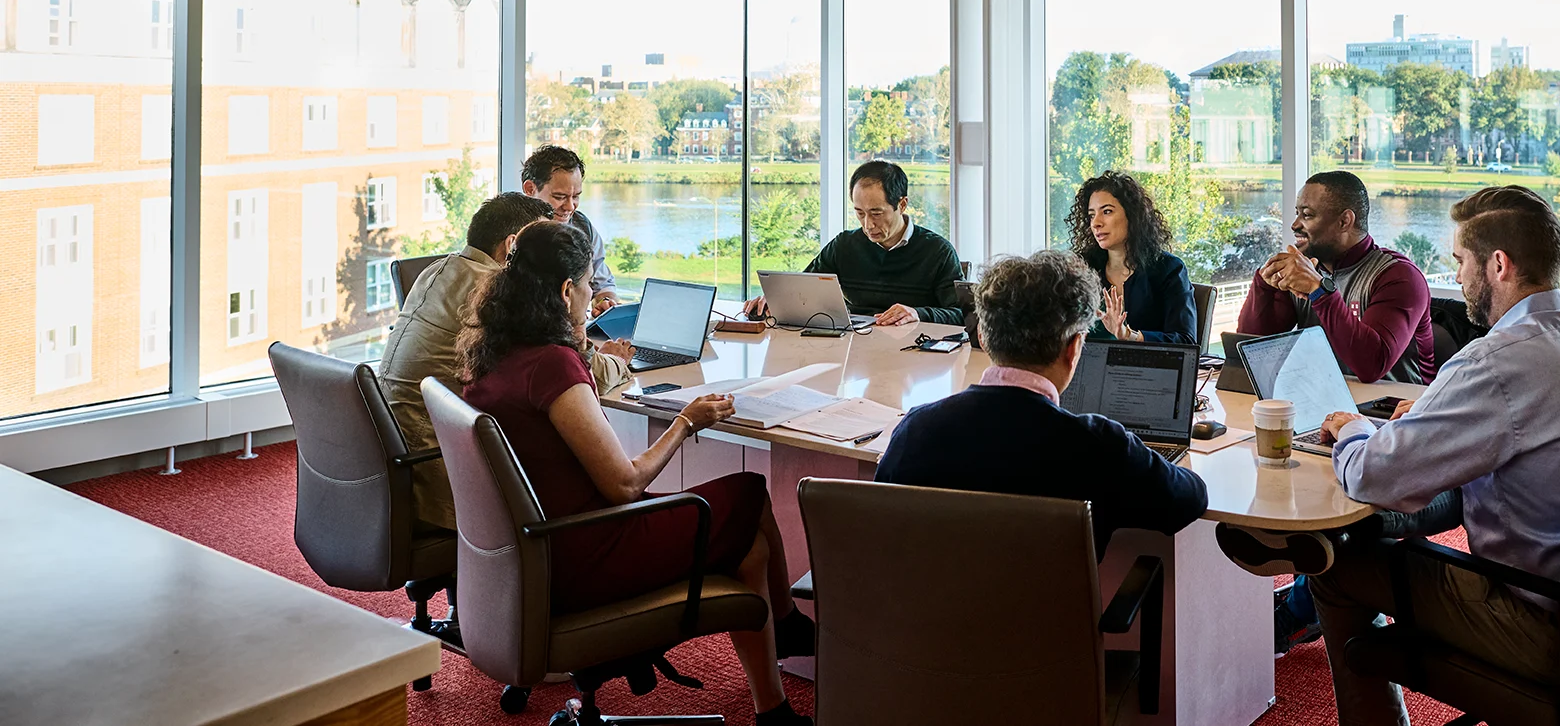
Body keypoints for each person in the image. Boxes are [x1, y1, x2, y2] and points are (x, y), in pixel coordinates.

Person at [1307, 186, 1560, 726]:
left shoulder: (1497, 361)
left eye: (1460, 262)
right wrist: (1432, 423)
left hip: (1550, 622)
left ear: (1498, 264)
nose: (1456, 278)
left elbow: (1373, 476)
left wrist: (1357, 429)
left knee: (1335, 564)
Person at [459, 221, 814, 726]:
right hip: (585, 553)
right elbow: (625, 484)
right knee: (749, 491)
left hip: (531, 551)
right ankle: (788, 624)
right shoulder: (552, 366)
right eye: (585, 286)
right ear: (565, 291)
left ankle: (773, 709)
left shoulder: (490, 352)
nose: (590, 296)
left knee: (751, 549)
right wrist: (686, 422)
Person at [875, 249, 1208, 555]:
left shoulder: (915, 431)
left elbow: (882, 533)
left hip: (928, 618)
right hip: (1048, 620)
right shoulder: (1100, 446)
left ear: (984, 339)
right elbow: (1190, 499)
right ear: (1075, 348)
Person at [1237, 170, 1436, 653]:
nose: (1295, 225)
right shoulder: (1306, 270)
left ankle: (1305, 600)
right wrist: (1267, 289)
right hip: (1324, 409)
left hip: (1399, 420)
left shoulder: (1397, 276)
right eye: (1296, 213)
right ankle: (1289, 551)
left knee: (1331, 492)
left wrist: (1321, 293)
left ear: (1346, 219)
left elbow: (1371, 362)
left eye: (1308, 214)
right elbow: (1256, 345)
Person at [378, 191, 637, 532]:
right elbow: (578, 378)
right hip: (441, 481)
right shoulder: (488, 297)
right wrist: (615, 360)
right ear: (514, 244)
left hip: (392, 465)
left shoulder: (436, 270)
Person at [744, 160, 963, 326]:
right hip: (853, 349)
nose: (868, 225)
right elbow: (803, 290)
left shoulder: (938, 251)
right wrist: (777, 300)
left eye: (876, 213)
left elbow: (961, 314)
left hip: (915, 354)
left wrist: (917, 313)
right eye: (860, 213)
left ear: (902, 204)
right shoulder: (845, 245)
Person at [1066, 171, 1196, 345]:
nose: (1096, 223)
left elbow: (1185, 341)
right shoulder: (1081, 268)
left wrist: (1130, 336)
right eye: (1091, 215)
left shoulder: (1169, 269)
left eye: (1106, 212)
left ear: (1132, 215)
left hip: (1148, 370)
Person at [522, 145, 616, 303]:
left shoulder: (583, 227)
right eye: (559, 197)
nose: (570, 207)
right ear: (530, 189)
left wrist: (606, 301)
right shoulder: (508, 232)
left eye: (576, 196)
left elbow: (603, 285)